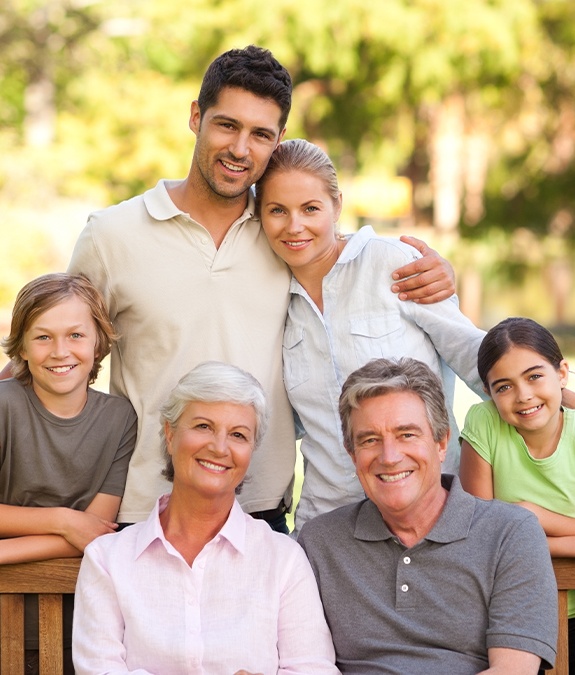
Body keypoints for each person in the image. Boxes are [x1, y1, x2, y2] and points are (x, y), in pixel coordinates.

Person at [65, 45, 455, 532]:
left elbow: (345, 256)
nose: (240, 149)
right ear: (195, 117)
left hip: (260, 510)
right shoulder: (111, 236)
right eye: (227, 125)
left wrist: (432, 269)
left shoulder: (283, 234)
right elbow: (54, 350)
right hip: (145, 507)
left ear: (279, 139)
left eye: (260, 134)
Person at [255, 138, 486, 532]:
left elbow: (473, 357)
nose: (295, 226)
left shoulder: (392, 264)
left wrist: (555, 398)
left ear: (337, 205)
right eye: (277, 210)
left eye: (311, 208)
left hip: (429, 515)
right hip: (331, 527)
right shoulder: (270, 300)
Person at [73, 361, 339, 675]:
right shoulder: (108, 560)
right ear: (170, 435)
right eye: (203, 427)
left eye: (238, 435)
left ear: (251, 449)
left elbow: (313, 669)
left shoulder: (284, 560)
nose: (219, 447)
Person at [298, 357, 558, 674]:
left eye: (407, 434)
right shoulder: (320, 542)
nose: (389, 457)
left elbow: (513, 672)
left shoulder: (510, 534)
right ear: (352, 454)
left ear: (441, 442)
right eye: (370, 440)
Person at [0, 273, 137, 674]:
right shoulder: (4, 407)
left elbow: (95, 533)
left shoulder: (119, 418)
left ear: (99, 342)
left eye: (76, 335)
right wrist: (63, 521)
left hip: (81, 629)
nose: (61, 351)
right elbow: (78, 530)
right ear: (21, 347)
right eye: (43, 337)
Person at [459, 317, 575, 671]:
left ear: (562, 373)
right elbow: (481, 536)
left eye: (535, 376)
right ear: (489, 393)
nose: (523, 395)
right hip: (514, 617)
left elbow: (504, 533)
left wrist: (529, 518)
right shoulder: (484, 422)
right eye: (504, 387)